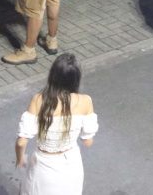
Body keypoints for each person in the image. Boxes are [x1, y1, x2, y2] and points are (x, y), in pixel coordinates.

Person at [15, 53, 98, 195]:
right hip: (71, 163)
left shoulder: (39, 100)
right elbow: (87, 141)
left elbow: (22, 142)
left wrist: (19, 159)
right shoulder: (85, 101)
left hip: (43, 164)